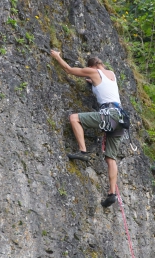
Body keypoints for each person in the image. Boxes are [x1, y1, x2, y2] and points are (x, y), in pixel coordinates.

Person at [50, 50, 124, 207]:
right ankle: (111, 193)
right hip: (121, 118)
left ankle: (83, 151)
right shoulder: (111, 74)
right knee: (111, 158)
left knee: (74, 118)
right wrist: (92, 82)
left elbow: (69, 70)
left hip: (109, 114)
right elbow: (104, 87)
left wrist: (57, 56)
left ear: (91, 66)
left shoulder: (93, 71)